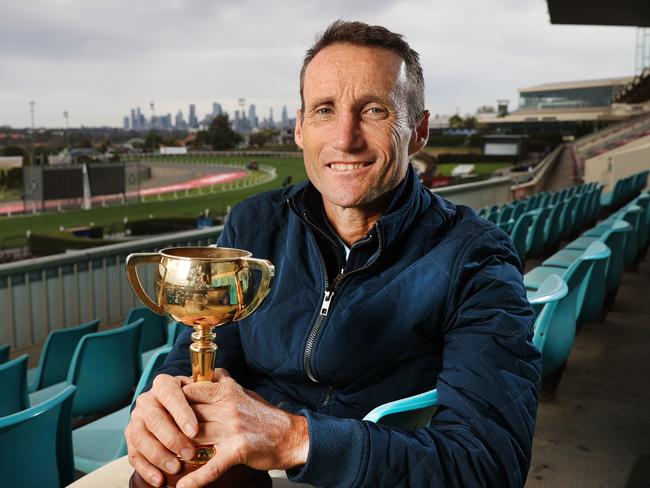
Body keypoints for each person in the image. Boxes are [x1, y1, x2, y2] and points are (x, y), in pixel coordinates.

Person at [123, 20, 541, 488]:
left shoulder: (474, 255)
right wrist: (169, 403)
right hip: (248, 463)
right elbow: (200, 355)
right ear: (301, 128)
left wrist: (295, 439)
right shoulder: (253, 224)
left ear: (418, 131)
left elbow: (489, 464)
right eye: (325, 109)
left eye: (375, 111)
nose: (345, 138)